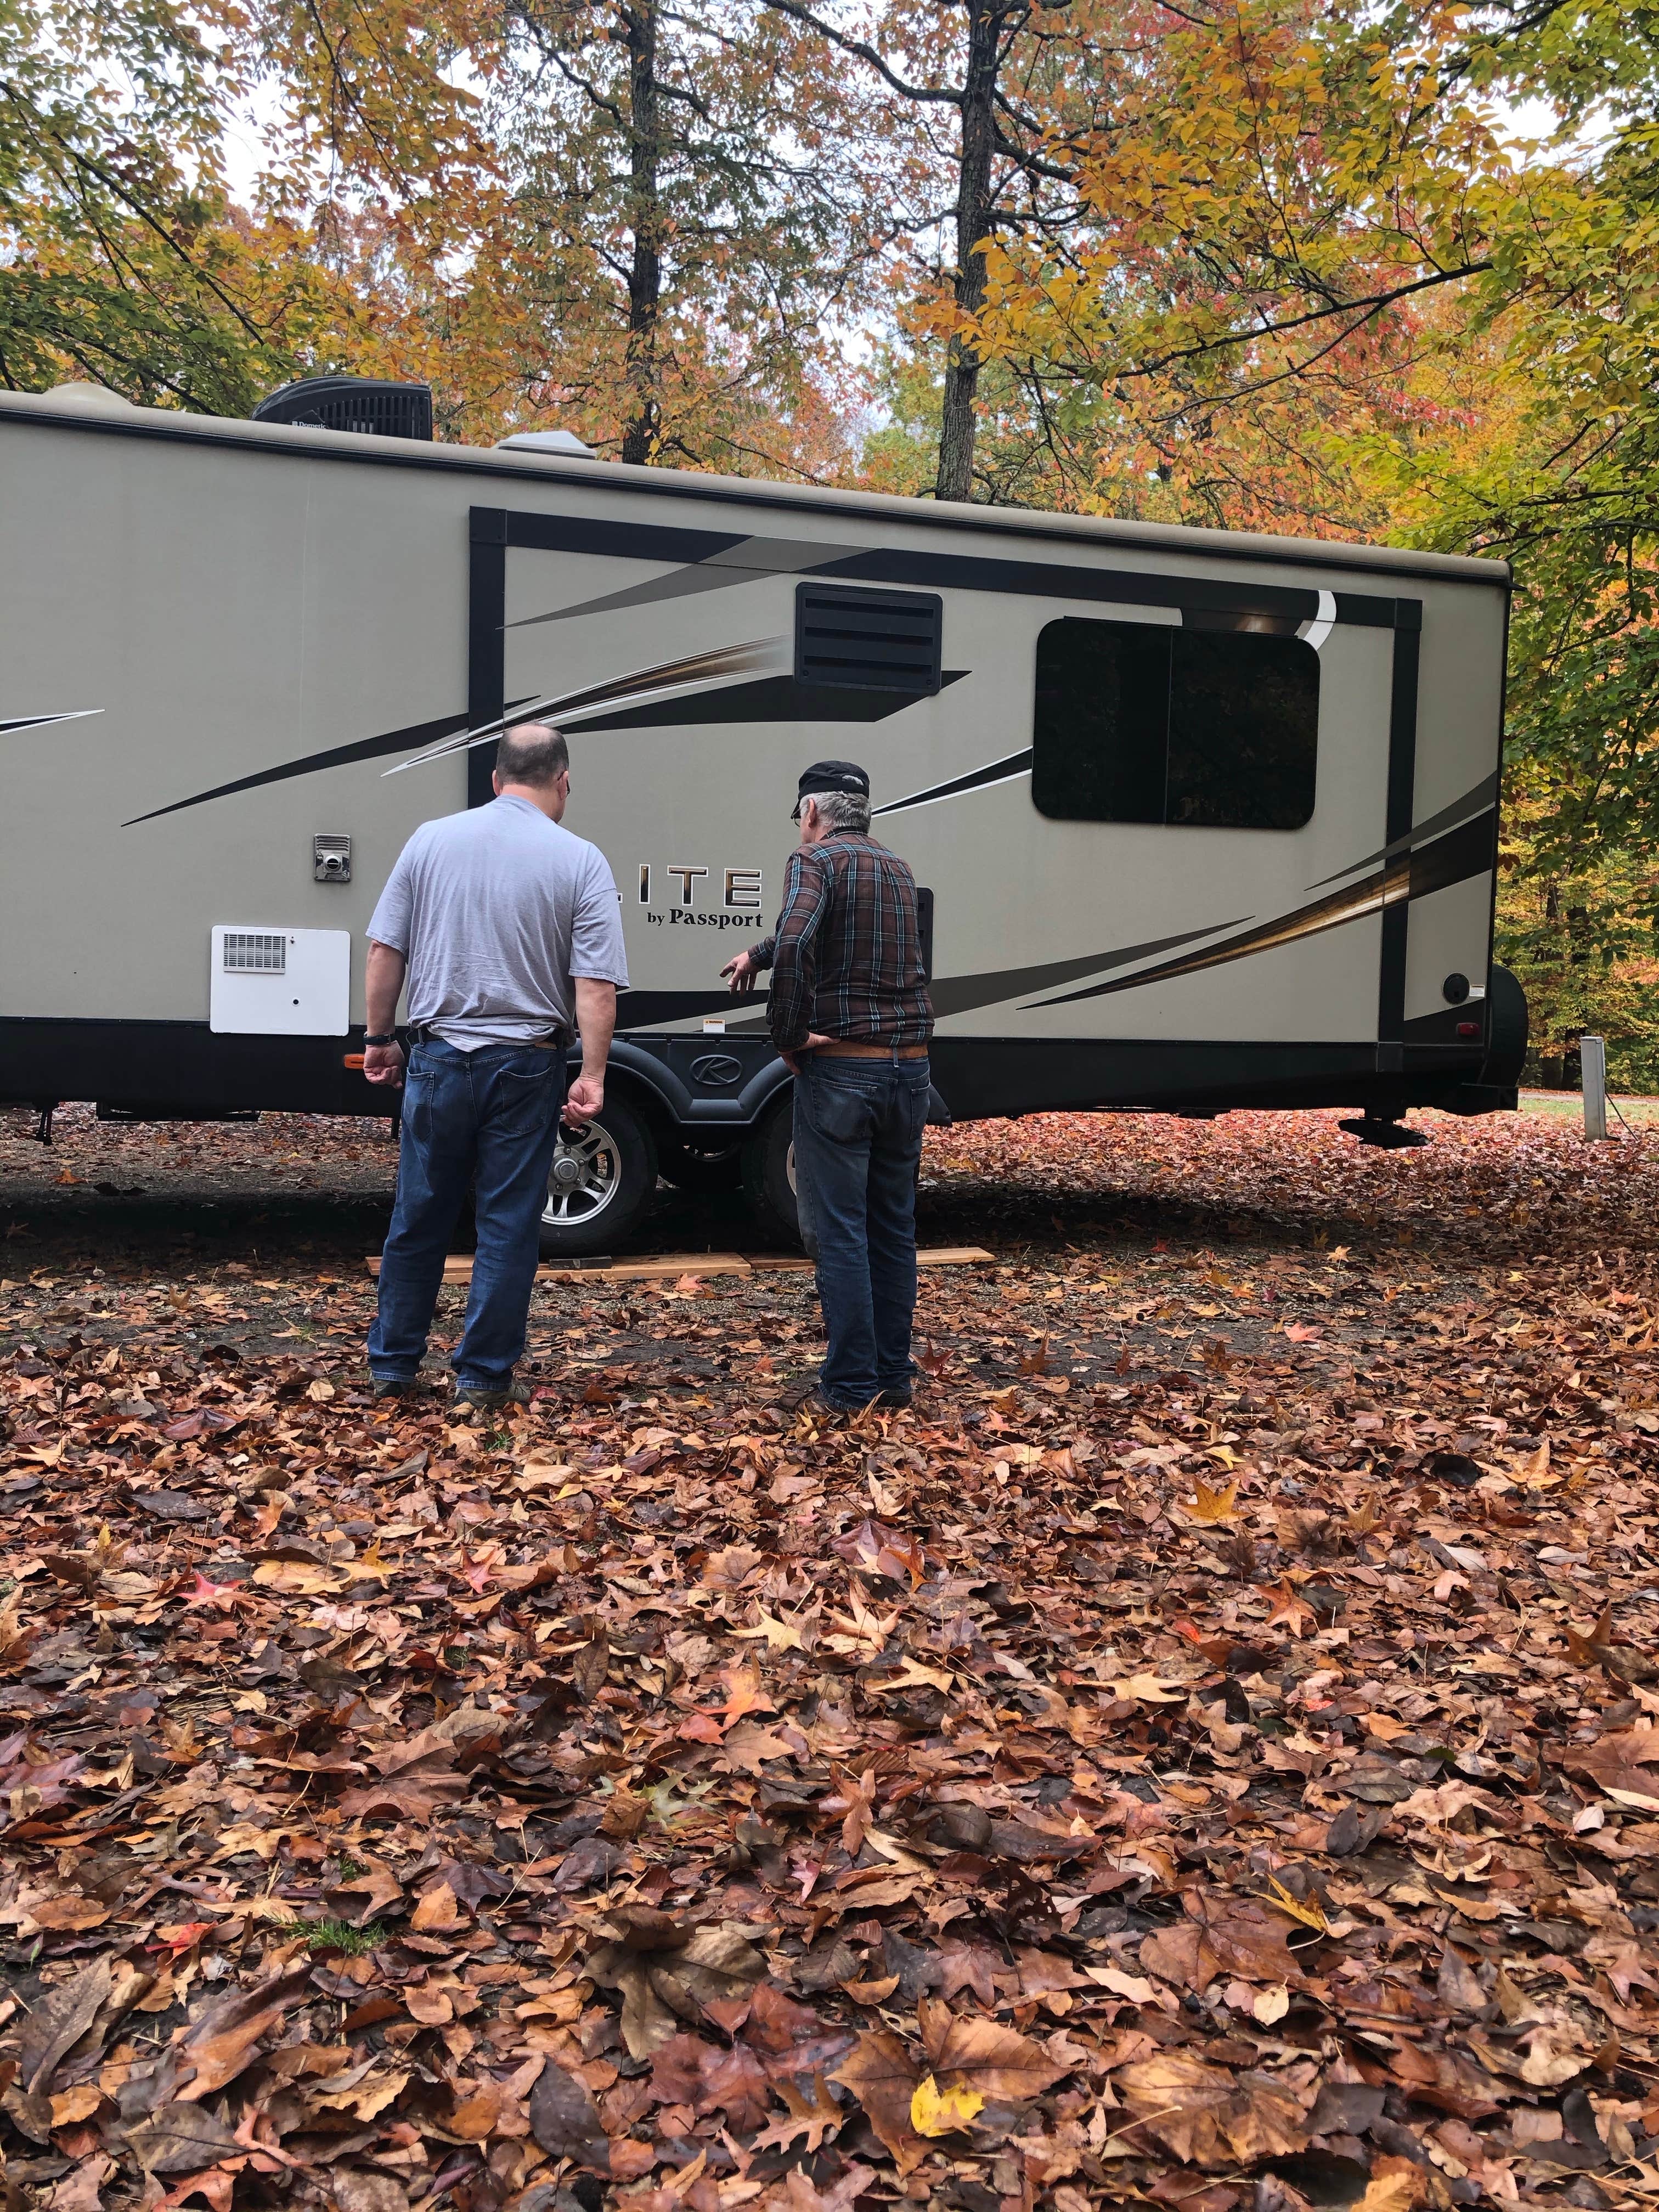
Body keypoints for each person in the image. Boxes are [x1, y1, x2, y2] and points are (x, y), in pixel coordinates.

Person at [360, 722, 628, 1412]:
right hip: (526, 1065)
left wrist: (381, 1038)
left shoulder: (431, 839)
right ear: (563, 781)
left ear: (494, 779)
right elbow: (595, 985)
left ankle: (392, 1367)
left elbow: (386, 950)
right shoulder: (581, 860)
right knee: (507, 1223)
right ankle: (480, 1379)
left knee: (420, 1213)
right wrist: (592, 1075)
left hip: (440, 1055)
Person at [721, 760, 934, 1413]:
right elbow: (846, 937)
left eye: (798, 817)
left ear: (812, 811)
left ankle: (847, 1389)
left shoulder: (812, 860)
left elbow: (799, 937)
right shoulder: (896, 868)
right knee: (892, 1229)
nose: (799, 828)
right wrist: (754, 955)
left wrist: (786, 1036)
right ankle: (893, 1380)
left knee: (839, 1232)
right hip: (910, 1068)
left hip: (844, 1071)